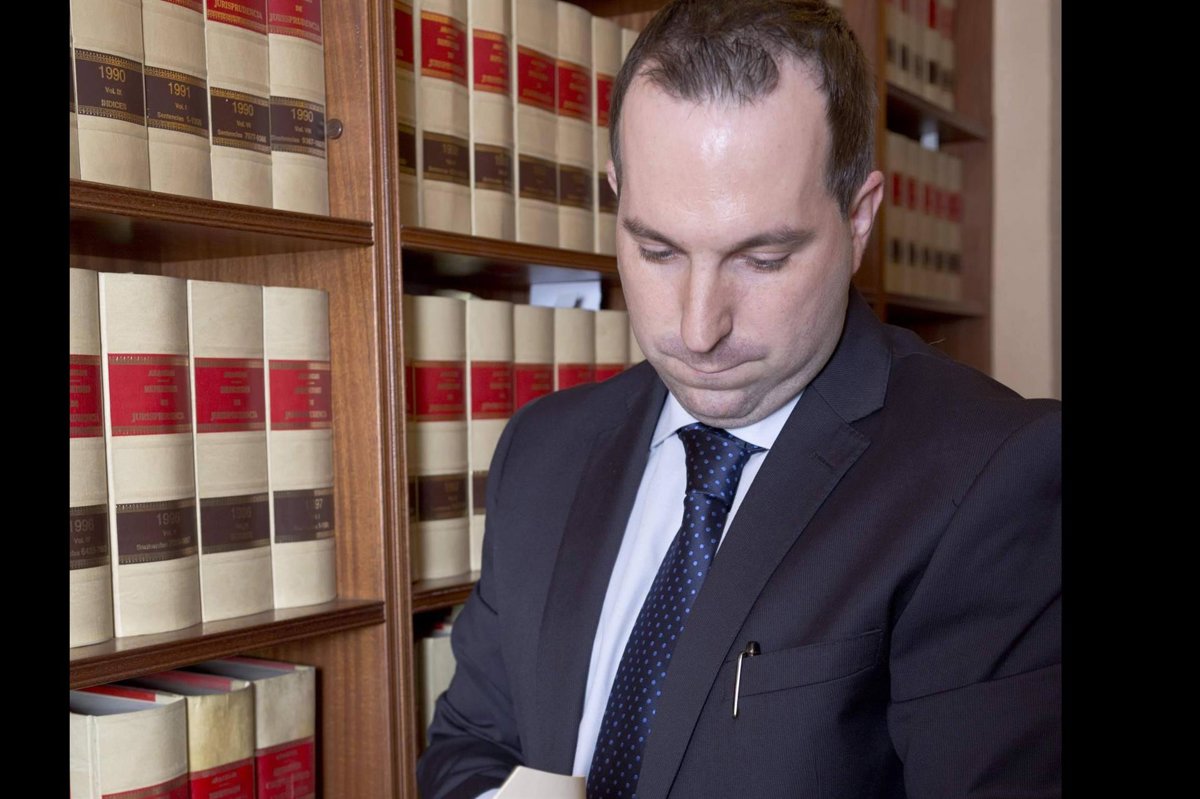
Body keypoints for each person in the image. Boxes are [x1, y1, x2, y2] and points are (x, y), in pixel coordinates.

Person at [417, 1, 1062, 797]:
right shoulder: (542, 448)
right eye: (656, 249)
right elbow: (470, 745)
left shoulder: (998, 477)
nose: (698, 328)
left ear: (859, 220)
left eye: (762, 258)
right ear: (617, 197)